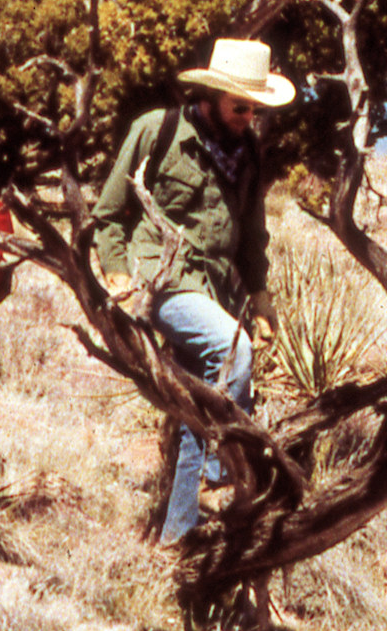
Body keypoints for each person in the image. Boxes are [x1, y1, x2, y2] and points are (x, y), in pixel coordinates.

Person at [92, 38, 293, 544]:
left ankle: (177, 540)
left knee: (194, 410)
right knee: (232, 350)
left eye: (255, 107)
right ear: (210, 94)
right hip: (162, 284)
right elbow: (109, 213)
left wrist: (262, 301)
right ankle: (219, 475)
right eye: (239, 106)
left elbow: (251, 239)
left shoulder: (247, 151)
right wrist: (117, 272)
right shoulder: (157, 131)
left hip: (217, 292)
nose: (248, 116)